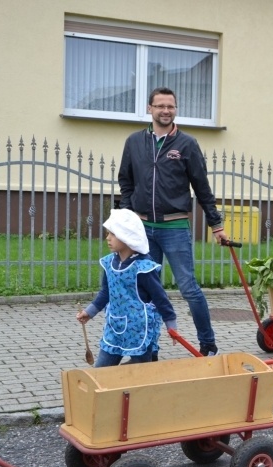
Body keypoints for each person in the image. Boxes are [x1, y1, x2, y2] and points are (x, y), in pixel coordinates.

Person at [118, 87, 228, 358]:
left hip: (175, 228)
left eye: (170, 106)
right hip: (144, 231)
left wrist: (216, 224)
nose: (165, 111)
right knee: (147, 290)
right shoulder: (134, 142)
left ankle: (208, 343)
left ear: (175, 109)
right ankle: (148, 348)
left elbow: (202, 187)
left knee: (189, 288)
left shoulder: (186, 144)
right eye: (160, 106)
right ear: (150, 109)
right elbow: (126, 182)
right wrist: (125, 219)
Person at [76, 209, 178, 367]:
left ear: (127, 236)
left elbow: (160, 298)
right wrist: (89, 312)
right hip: (115, 327)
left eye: (112, 234)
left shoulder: (143, 268)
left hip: (138, 330)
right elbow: (106, 292)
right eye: (108, 233)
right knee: (101, 372)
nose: (107, 238)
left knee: (140, 374)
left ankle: (146, 369)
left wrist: (171, 325)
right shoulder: (109, 263)